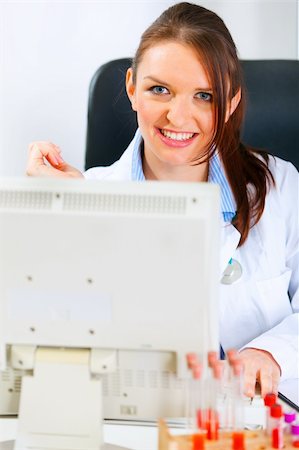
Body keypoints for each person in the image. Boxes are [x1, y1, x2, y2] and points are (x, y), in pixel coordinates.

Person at [26, 2, 298, 399]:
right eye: (159, 90)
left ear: (232, 103)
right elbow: (52, 332)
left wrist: (270, 354)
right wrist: (60, 213)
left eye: (204, 96)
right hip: (134, 419)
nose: (178, 116)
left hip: (255, 419)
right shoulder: (89, 194)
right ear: (132, 87)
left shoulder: (280, 187)